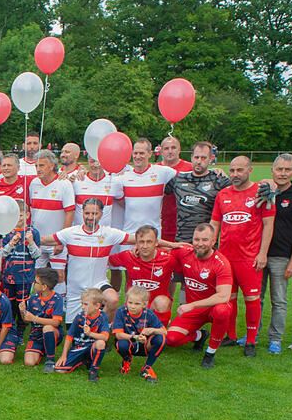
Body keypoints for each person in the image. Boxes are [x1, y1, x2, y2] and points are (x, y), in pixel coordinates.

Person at [210, 156, 275, 356]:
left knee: (252, 299)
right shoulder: (223, 194)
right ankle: (230, 335)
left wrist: (262, 253)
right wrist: (212, 248)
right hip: (226, 258)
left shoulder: (261, 193)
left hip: (249, 258)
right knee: (228, 298)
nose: (235, 174)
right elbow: (215, 223)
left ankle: (251, 341)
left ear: (250, 170)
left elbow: (268, 225)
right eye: (232, 170)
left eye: (240, 170)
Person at [109, 139, 178, 289]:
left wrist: (215, 171)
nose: (138, 156)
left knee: (152, 278)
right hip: (130, 235)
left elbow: (189, 174)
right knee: (131, 279)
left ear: (149, 154)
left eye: (141, 153)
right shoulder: (122, 178)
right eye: (135, 153)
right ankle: (129, 304)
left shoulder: (163, 172)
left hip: (153, 236)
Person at [165, 224, 235, 369]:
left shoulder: (221, 263)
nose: (200, 244)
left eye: (205, 240)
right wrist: (170, 245)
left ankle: (210, 353)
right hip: (194, 311)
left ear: (213, 241)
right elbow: (154, 248)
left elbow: (223, 296)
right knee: (171, 339)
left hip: (212, 308)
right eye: (196, 239)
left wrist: (192, 305)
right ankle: (200, 336)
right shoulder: (185, 252)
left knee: (222, 310)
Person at [260, 154, 292, 355]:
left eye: (287, 170)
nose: (283, 173)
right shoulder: (263, 190)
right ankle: (253, 334)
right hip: (259, 254)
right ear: (272, 170)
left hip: (282, 256)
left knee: (279, 300)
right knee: (256, 298)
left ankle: (275, 338)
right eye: (279, 169)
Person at [108, 225, 177, 326]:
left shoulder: (169, 259)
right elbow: (104, 261)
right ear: (136, 243)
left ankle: (158, 329)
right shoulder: (128, 256)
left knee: (162, 302)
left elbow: (190, 254)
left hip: (155, 306)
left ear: (156, 243)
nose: (145, 246)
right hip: (134, 306)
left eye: (149, 242)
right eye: (141, 242)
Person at [28, 150, 75, 288]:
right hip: (38, 240)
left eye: (42, 165)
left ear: (52, 166)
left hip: (56, 241)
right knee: (38, 276)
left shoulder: (64, 184)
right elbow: (31, 210)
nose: (38, 169)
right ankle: (39, 300)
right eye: (36, 166)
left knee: (58, 275)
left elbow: (70, 212)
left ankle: (60, 301)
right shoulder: (34, 183)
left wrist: (61, 240)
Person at [0, 201, 41, 340]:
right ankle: (10, 330)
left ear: (27, 215)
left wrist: (31, 242)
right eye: (15, 215)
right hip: (9, 276)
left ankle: (21, 331)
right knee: (9, 304)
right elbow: (2, 254)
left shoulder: (33, 232)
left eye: (21, 215)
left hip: (25, 277)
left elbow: (37, 255)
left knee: (22, 304)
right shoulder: (6, 231)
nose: (18, 218)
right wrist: (11, 243)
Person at [112, 286, 166, 383]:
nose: (132, 306)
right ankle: (127, 360)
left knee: (161, 338)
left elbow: (164, 331)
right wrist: (134, 337)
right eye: (130, 302)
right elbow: (118, 334)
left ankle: (147, 367)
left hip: (145, 345)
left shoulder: (149, 314)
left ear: (144, 304)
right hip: (129, 343)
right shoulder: (121, 311)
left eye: (137, 303)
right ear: (126, 301)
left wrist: (152, 330)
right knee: (121, 343)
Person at [55, 288, 110, 382]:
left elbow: (105, 337)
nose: (83, 307)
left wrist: (90, 333)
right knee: (59, 370)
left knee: (101, 343)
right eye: (82, 303)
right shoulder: (79, 316)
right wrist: (64, 355)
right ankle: (83, 360)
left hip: (92, 347)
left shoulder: (102, 317)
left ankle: (93, 370)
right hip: (79, 347)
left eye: (86, 304)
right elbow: (69, 336)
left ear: (97, 306)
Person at [19, 268, 65, 371]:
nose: (33, 284)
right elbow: (26, 320)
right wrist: (23, 312)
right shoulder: (33, 298)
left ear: (44, 287)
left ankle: (50, 360)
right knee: (29, 362)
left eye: (36, 282)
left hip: (52, 332)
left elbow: (56, 322)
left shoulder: (57, 299)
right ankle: (44, 349)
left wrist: (34, 318)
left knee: (47, 328)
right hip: (35, 335)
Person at [158, 136, 194, 242]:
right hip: (160, 224)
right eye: (166, 148)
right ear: (161, 151)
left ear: (179, 149)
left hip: (185, 224)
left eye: (173, 148)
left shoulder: (191, 168)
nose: (170, 151)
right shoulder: (154, 170)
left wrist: (216, 170)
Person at [71, 156, 114, 227]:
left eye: (99, 162)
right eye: (92, 161)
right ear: (88, 161)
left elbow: (123, 203)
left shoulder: (114, 182)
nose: (96, 165)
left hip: (104, 232)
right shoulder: (77, 181)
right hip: (80, 232)